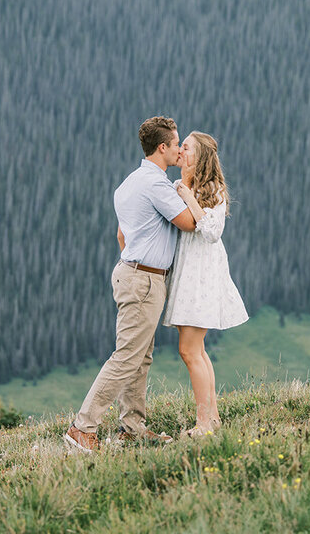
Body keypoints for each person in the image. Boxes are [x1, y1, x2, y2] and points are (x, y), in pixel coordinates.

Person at [64, 116, 196, 453]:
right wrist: (188, 182)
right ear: (162, 147)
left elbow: (122, 234)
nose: (180, 149)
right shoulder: (155, 185)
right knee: (127, 357)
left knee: (140, 356)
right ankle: (83, 427)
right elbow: (189, 223)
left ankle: (133, 427)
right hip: (144, 280)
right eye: (176, 143)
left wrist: (135, 266)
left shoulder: (129, 183)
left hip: (133, 272)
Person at [162, 131, 249, 437]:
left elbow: (212, 232)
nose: (180, 151)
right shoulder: (178, 186)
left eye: (185, 147)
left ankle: (203, 424)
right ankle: (211, 417)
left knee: (189, 350)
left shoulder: (213, 190)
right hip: (187, 273)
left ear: (199, 156)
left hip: (202, 276)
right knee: (196, 349)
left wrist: (188, 198)